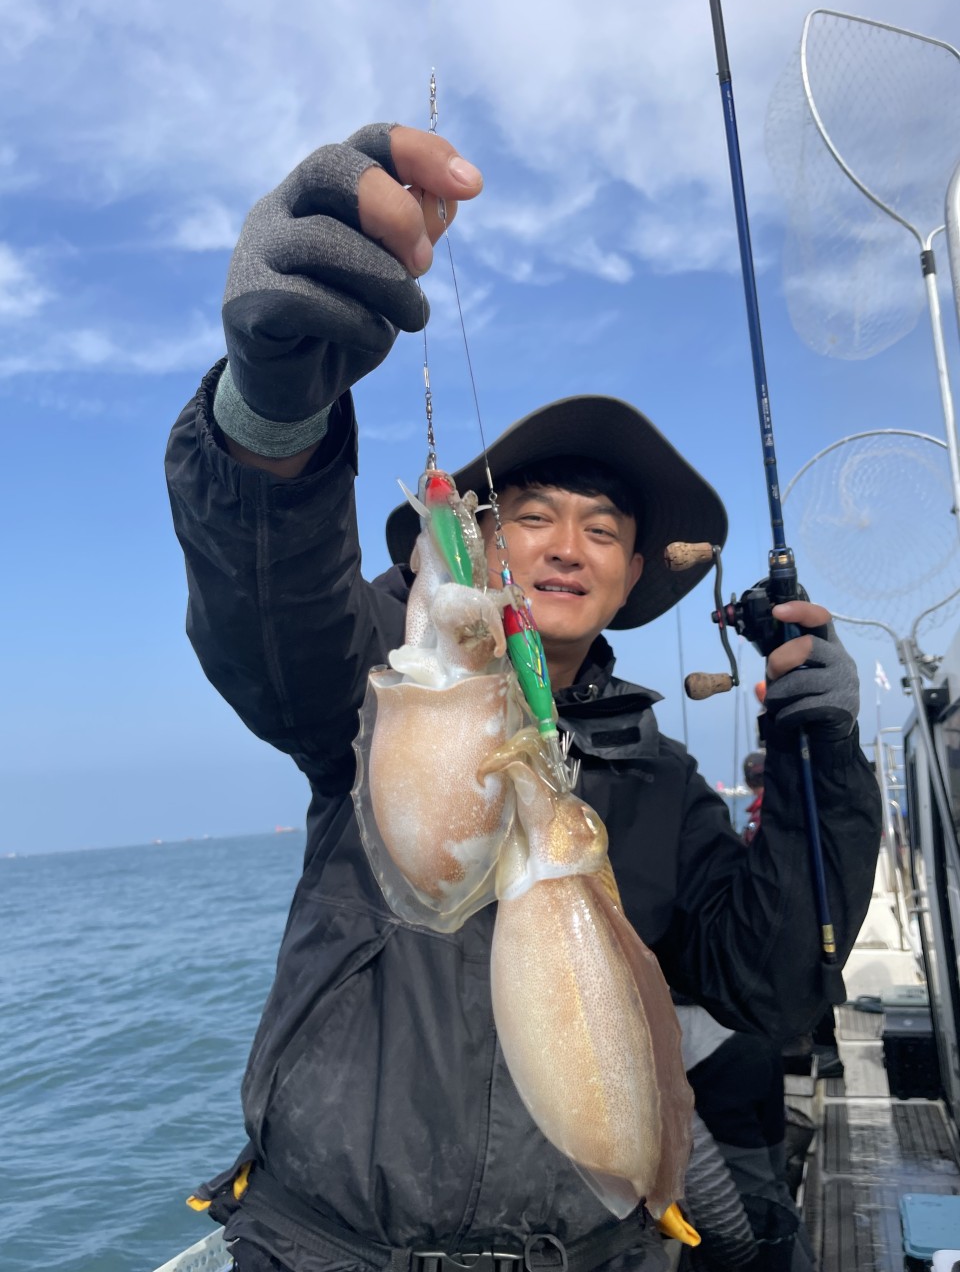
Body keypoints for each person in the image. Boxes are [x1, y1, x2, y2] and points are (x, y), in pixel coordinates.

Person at [165, 123, 882, 1272]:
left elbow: (776, 979)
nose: (565, 545)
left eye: (603, 528)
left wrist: (822, 762)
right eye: (533, 514)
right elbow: (271, 619)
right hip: (324, 1246)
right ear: (479, 541)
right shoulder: (380, 686)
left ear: (631, 575)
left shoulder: (658, 781)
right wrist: (271, 415)